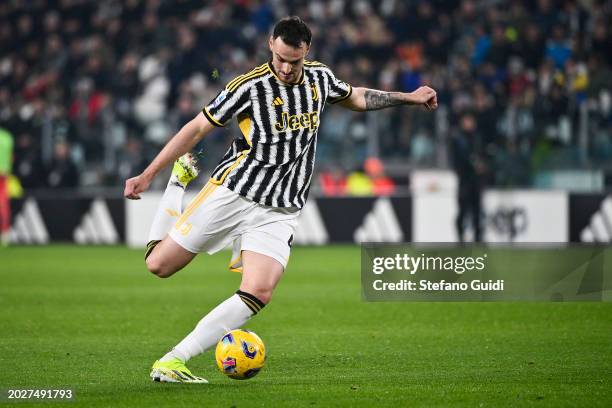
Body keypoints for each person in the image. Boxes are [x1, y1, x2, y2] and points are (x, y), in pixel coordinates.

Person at [124, 16, 437, 384]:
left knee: (258, 291)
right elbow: (196, 127)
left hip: (281, 208)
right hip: (235, 193)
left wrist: (409, 98)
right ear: (271, 45)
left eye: (295, 60)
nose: (287, 68)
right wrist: (150, 174)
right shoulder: (248, 87)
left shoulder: (320, 77)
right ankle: (179, 183)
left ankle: (173, 361)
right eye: (282, 59)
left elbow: (354, 96)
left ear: (307, 51)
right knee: (159, 266)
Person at [451, 113, 487, 242]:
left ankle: (478, 238)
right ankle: (461, 237)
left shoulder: (477, 138)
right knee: (463, 211)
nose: (469, 123)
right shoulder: (458, 139)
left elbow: (482, 155)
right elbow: (458, 160)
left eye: (471, 120)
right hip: (465, 180)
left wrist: (482, 166)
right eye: (467, 120)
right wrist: (472, 166)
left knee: (477, 211)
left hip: (476, 181)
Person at [0, 127, 14, 246]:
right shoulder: (7, 137)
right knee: (4, 206)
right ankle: (5, 233)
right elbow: (11, 157)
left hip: (3, 177)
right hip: (4, 175)